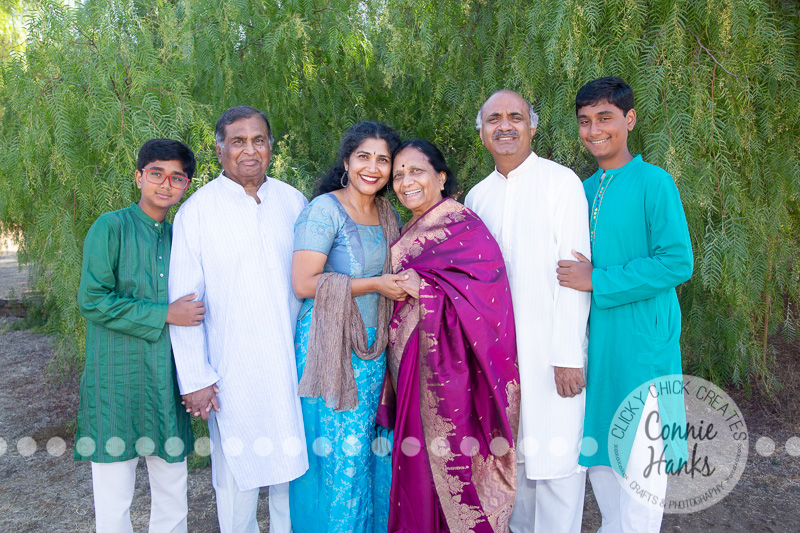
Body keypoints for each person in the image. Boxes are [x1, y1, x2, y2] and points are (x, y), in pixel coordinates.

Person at [557, 77, 693, 533]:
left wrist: (598, 281)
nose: (594, 130)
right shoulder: (580, 189)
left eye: (605, 118)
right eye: (585, 121)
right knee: (603, 472)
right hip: (599, 351)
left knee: (642, 482)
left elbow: (677, 262)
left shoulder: (655, 182)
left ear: (629, 120)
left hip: (644, 350)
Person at [168, 106, 309, 533]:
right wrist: (195, 376)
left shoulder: (294, 201)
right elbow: (184, 302)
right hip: (233, 370)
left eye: (259, 140)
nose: (250, 150)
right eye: (238, 141)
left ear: (270, 146)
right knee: (236, 484)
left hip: (293, 366)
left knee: (293, 479)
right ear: (219, 149)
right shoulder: (197, 211)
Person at [465, 90, 591, 533]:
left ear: (532, 127)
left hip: (550, 353)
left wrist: (568, 354)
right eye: (494, 118)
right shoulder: (476, 199)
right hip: (498, 357)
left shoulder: (562, 183)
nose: (505, 125)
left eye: (515, 117)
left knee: (556, 463)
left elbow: (573, 276)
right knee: (510, 459)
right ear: (481, 132)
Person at [385, 138, 520, 532]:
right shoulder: (407, 224)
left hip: (450, 374)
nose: (406, 181)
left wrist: (423, 289)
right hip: (411, 366)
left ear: (441, 177)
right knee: (417, 468)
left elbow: (487, 298)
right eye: (398, 175)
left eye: (416, 171)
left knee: (447, 462)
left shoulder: (463, 225)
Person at [74, 138, 203, 533]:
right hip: (116, 380)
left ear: (186, 186)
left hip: (166, 379)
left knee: (172, 490)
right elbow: (92, 300)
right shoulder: (110, 227)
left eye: (176, 178)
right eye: (156, 174)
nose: (165, 184)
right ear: (139, 177)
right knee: (114, 499)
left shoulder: (184, 235)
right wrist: (165, 313)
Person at [288, 121, 407, 533]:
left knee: (370, 454)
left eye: (383, 159)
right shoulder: (324, 210)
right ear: (346, 161)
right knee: (337, 458)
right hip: (330, 353)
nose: (372, 168)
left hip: (374, 354)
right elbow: (304, 283)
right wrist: (375, 284)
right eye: (363, 157)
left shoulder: (388, 212)